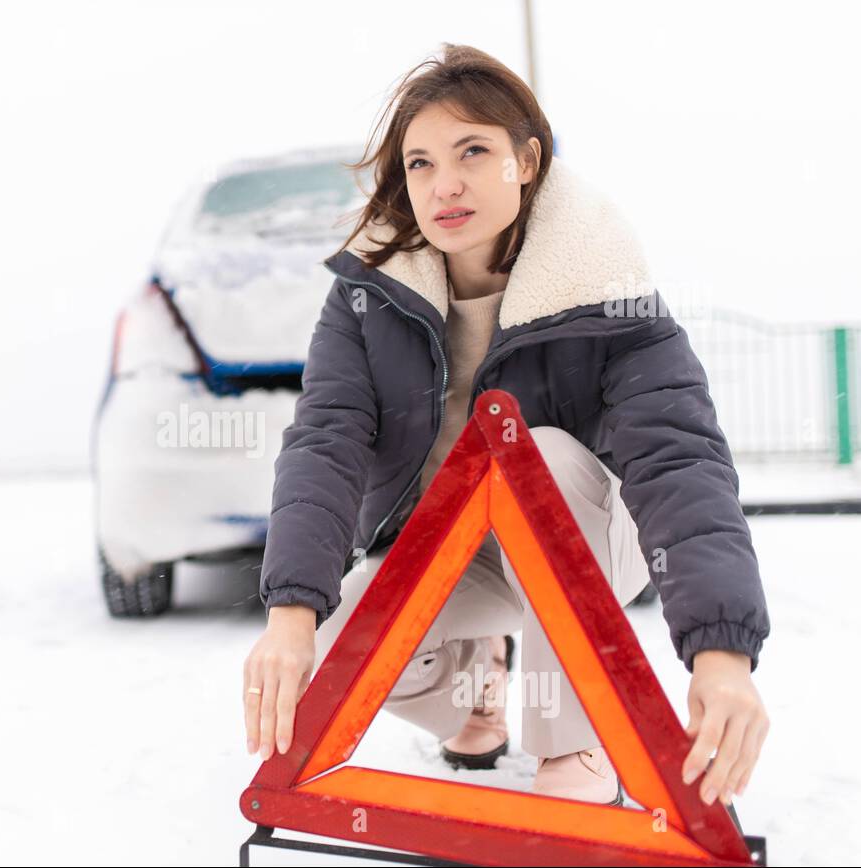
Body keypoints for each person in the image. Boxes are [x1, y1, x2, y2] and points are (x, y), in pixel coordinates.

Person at [242, 44, 770, 807]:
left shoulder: (603, 290)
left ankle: (573, 739)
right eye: (419, 163)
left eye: (473, 151)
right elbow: (327, 443)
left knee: (538, 453)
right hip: (454, 546)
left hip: (585, 533)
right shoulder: (367, 300)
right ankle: (475, 695)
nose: (444, 183)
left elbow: (678, 458)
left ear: (525, 160)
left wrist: (722, 655)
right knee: (325, 650)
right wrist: (291, 614)